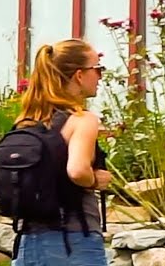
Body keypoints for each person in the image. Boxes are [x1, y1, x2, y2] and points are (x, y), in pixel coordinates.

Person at [11, 38, 111, 266]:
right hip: (73, 242)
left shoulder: (27, 121)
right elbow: (77, 170)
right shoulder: (82, 120)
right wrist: (95, 179)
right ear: (79, 75)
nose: (100, 76)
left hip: (28, 241)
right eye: (97, 69)